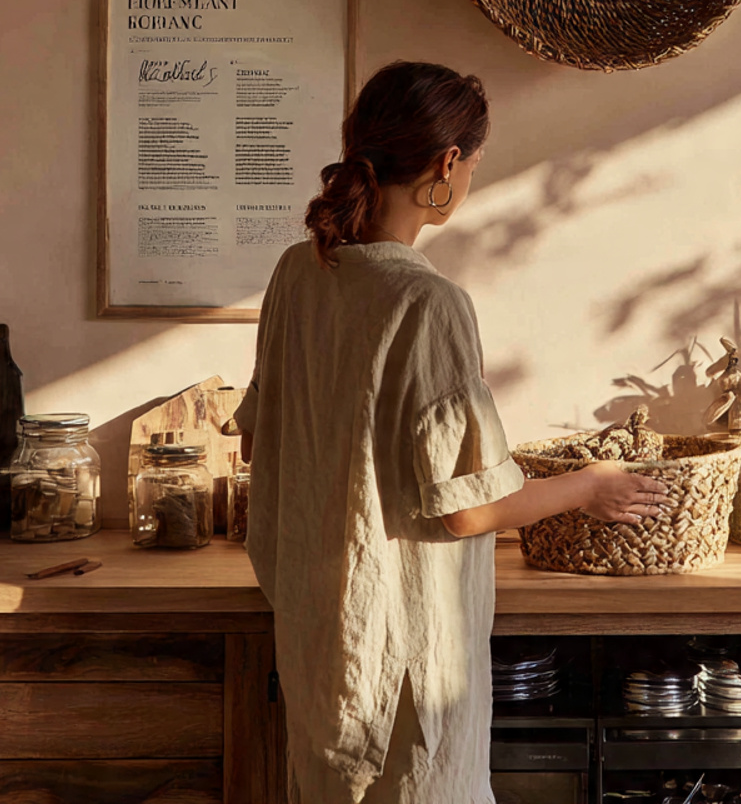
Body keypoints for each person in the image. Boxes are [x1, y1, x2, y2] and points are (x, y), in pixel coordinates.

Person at [234, 61, 667, 804]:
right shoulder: (427, 301)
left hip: (318, 645)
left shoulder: (297, 274)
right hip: (404, 660)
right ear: (447, 164)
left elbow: (262, 441)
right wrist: (589, 485)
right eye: (475, 163)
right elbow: (467, 509)